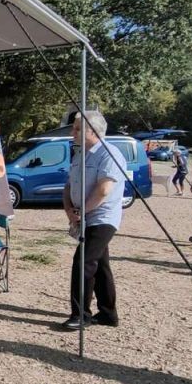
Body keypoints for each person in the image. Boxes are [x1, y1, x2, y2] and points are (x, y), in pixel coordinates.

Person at [61, 111, 126, 330]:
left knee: (83, 262)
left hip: (102, 217)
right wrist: (69, 210)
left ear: (94, 131)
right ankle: (108, 314)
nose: (73, 132)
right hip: (83, 216)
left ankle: (81, 315)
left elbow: (104, 189)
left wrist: (82, 211)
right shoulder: (80, 154)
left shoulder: (109, 153)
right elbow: (69, 185)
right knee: (100, 265)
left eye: (78, 128)